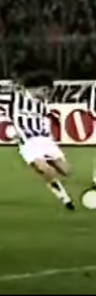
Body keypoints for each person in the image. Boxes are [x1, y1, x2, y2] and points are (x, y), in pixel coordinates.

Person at [8, 70, 75, 210]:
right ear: (33, 89)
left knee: (67, 171)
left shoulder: (43, 103)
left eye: (48, 91)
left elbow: (45, 119)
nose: (47, 93)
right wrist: (12, 130)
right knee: (45, 170)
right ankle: (65, 198)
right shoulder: (17, 98)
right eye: (44, 90)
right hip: (29, 142)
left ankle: (50, 168)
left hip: (46, 141)